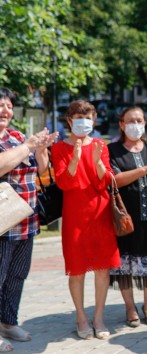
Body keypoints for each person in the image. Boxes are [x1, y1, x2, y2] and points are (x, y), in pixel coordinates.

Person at [51, 100, 121, 340]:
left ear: (94, 119)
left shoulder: (101, 145)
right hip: (75, 216)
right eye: (78, 117)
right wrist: (75, 157)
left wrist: (99, 162)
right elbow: (63, 183)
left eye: (88, 117)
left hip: (100, 213)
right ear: (69, 121)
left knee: (102, 269)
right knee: (77, 269)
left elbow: (106, 181)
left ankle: (98, 316)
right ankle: (81, 316)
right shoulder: (60, 148)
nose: (83, 122)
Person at [0, 88, 57, 352]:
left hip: (26, 220)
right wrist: (29, 146)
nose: (5, 110)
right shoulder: (21, 142)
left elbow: (41, 169)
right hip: (2, 222)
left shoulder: (17, 136)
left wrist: (42, 149)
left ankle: (8, 322)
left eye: (9, 105)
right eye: (0, 105)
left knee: (17, 275)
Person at [108, 107, 147, 327]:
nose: (136, 124)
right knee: (125, 264)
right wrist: (144, 170)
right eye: (131, 120)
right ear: (122, 124)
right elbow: (115, 179)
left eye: (139, 120)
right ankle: (130, 308)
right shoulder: (112, 149)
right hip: (125, 216)